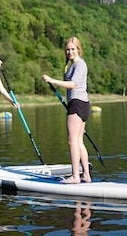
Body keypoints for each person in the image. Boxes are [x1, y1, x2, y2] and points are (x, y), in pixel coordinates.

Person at [42, 36, 91, 184]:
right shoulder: (72, 66)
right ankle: (86, 176)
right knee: (79, 140)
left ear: (78, 50)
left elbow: (73, 84)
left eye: (73, 49)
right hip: (81, 103)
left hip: (77, 103)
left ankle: (75, 176)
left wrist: (52, 80)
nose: (70, 52)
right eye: (67, 50)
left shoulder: (80, 64)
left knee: (72, 140)